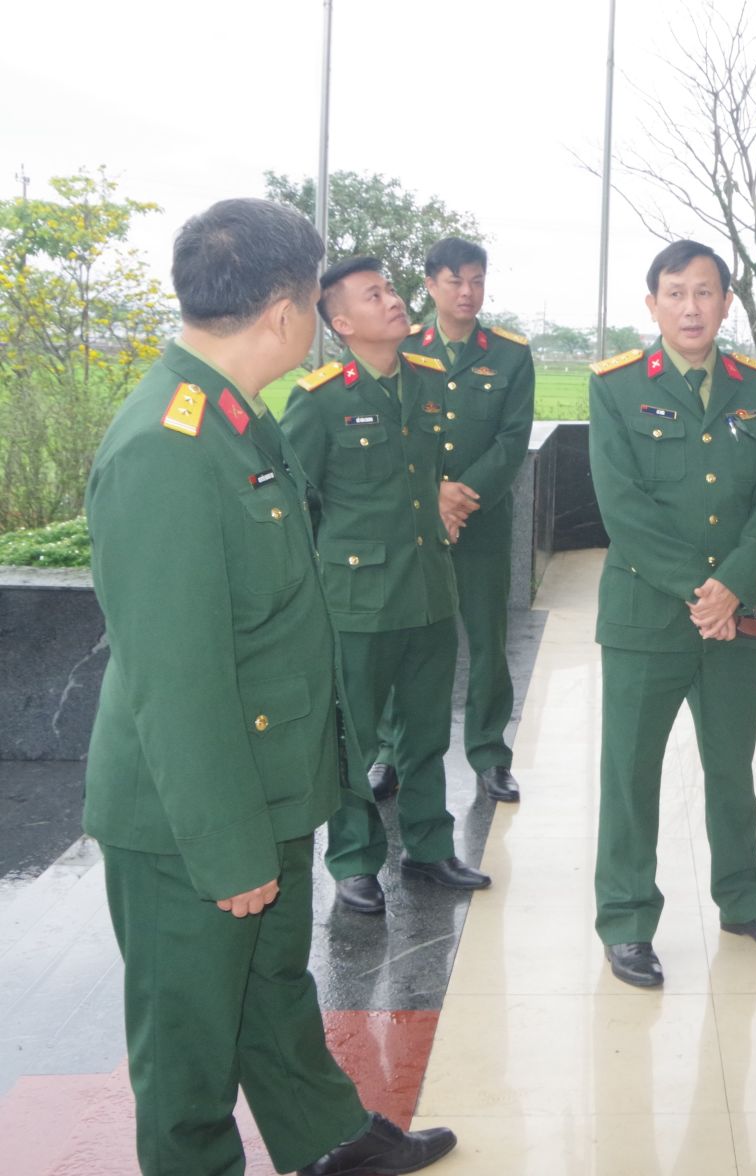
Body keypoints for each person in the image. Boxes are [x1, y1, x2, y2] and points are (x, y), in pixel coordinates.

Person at [83, 197, 455, 1175]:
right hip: (193, 818)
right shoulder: (166, 446)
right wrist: (227, 845)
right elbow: (175, 678)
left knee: (272, 991)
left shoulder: (235, 420)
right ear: (288, 311)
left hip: (266, 784)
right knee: (189, 1047)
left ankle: (331, 1143)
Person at [587, 239, 756, 988]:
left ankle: (744, 901)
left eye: (705, 291)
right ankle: (627, 920)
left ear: (726, 302)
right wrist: (700, 591)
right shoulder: (616, 388)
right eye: (676, 292)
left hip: (735, 619)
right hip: (646, 617)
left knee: (732, 769)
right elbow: (623, 509)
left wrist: (732, 586)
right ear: (652, 304)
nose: (691, 307)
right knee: (630, 775)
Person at [282, 257, 490, 913]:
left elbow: (424, 477)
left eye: (391, 290)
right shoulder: (320, 400)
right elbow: (297, 504)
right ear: (343, 323)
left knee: (426, 733)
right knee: (354, 738)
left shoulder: (426, 382)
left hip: (428, 588)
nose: (393, 301)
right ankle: (354, 860)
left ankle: (429, 847)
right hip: (358, 600)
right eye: (374, 296)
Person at [367, 238, 535, 805]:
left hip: (481, 523)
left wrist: (461, 500)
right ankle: (390, 752)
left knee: (487, 638)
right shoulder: (404, 347)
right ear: (431, 285)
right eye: (456, 280)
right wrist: (432, 497)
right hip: (414, 522)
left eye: (477, 280)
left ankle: (488, 752)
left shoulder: (510, 354)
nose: (468, 292)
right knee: (405, 635)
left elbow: (512, 441)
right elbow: (390, 430)